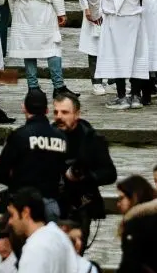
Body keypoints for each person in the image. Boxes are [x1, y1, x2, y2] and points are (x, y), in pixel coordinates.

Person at [89, 0, 151, 109]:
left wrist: (96, 15)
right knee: (135, 56)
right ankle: (136, 96)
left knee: (117, 57)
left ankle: (122, 96)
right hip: (134, 19)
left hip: (114, 20)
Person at [53, 92, 116, 250]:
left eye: (65, 112)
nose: (59, 116)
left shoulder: (92, 139)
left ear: (77, 114)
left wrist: (86, 176)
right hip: (54, 203)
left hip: (81, 204)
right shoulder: (47, 136)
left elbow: (109, 173)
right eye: (56, 112)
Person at [0, 89, 68, 218]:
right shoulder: (60, 137)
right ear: (47, 110)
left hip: (22, 204)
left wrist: (16, 184)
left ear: (24, 108)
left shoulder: (19, 136)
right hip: (50, 201)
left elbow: (0, 173)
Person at [7, 188, 76, 272]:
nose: (10, 222)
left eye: (12, 215)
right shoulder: (60, 235)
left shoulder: (34, 248)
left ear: (25, 212)